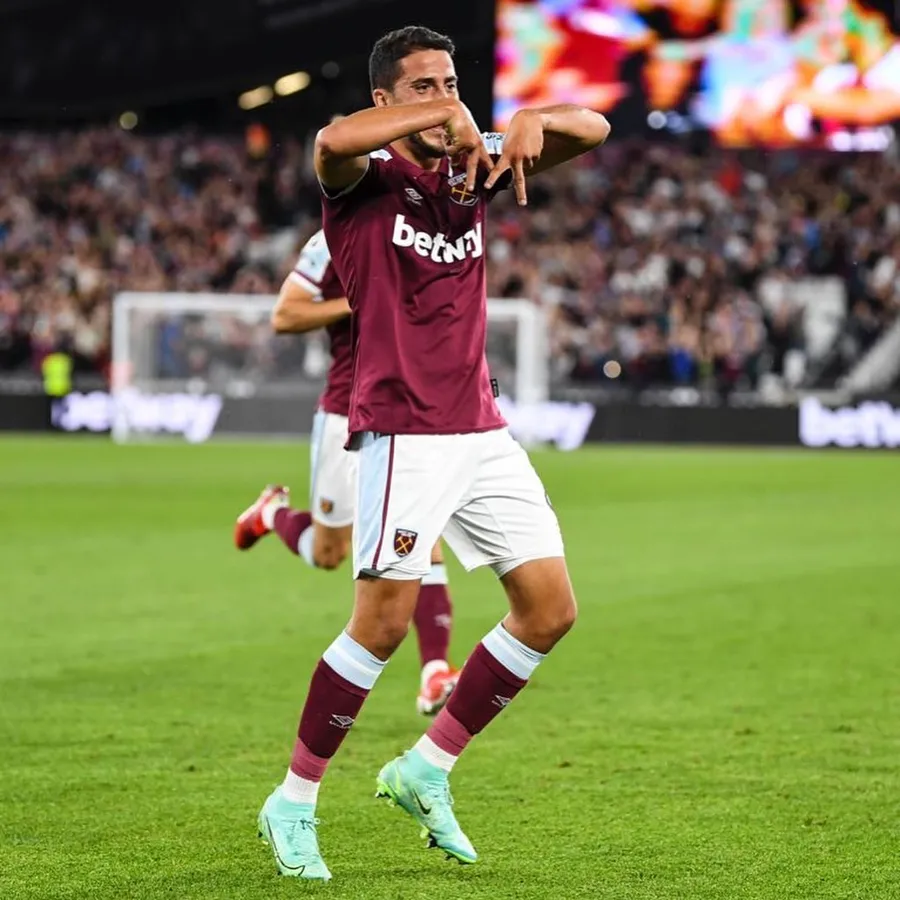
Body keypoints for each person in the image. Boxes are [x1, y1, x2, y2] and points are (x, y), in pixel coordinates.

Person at [256, 25, 610, 881]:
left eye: (451, 82)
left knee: (549, 609)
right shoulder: (364, 179)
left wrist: (531, 119)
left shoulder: (470, 167)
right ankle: (292, 801)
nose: (446, 96)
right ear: (386, 98)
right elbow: (330, 141)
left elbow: (596, 127)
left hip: (482, 430)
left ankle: (427, 767)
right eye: (424, 86)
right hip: (402, 429)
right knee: (379, 628)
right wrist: (447, 117)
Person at [233, 228, 459, 716]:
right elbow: (285, 314)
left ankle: (434, 672)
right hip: (347, 413)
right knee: (329, 552)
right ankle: (272, 514)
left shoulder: (430, 225)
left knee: (423, 536)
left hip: (412, 413)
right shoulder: (334, 238)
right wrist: (357, 305)